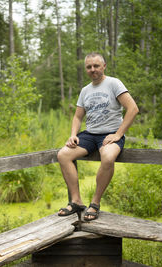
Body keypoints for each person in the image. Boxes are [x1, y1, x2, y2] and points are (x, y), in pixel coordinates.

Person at [57, 52, 139, 221]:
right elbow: (78, 117)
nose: (92, 69)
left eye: (96, 66)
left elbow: (133, 109)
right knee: (63, 155)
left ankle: (94, 203)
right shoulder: (85, 90)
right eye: (89, 67)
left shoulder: (113, 83)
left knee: (108, 157)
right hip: (89, 135)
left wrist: (118, 134)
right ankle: (76, 201)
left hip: (110, 134)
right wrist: (73, 135)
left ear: (104, 66)